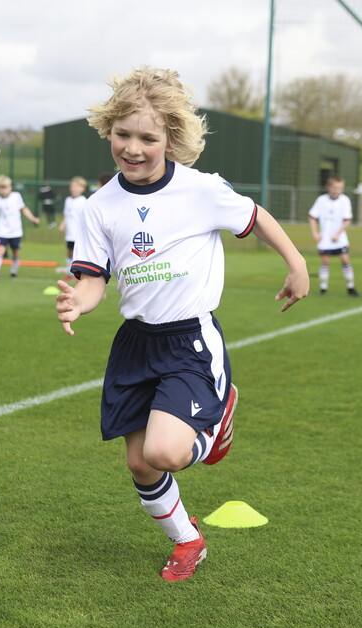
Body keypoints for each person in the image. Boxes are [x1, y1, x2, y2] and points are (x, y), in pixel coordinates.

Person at [55, 66, 309, 582]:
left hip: (189, 340)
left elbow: (254, 216)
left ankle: (214, 426)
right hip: (134, 344)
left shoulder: (200, 190)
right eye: (122, 135)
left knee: (166, 451)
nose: (132, 147)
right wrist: (79, 302)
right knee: (141, 465)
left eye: (147, 137)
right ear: (109, 132)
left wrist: (296, 262)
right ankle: (188, 541)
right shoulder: (98, 207)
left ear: (170, 139)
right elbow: (92, 279)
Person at [308, 175, 359, 297]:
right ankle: (323, 289)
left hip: (339, 238)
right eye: (334, 187)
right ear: (328, 187)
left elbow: (347, 220)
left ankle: (350, 288)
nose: (337, 190)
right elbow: (312, 217)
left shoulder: (345, 200)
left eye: (340, 188)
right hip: (325, 238)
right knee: (325, 261)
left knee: (345, 260)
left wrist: (338, 233)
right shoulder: (321, 200)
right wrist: (315, 233)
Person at [0, 175, 40, 280]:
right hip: (2, 231)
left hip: (15, 231)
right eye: (0, 188)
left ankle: (13, 271)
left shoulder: (16, 196)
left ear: (10, 187)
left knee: (15, 251)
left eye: (5, 187)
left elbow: (23, 209)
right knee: (0, 250)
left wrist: (33, 218)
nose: (3, 190)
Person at [57, 177, 87, 274]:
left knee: (78, 252)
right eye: (73, 187)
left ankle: (79, 271)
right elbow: (67, 214)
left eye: (78, 187)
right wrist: (62, 224)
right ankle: (69, 271)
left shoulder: (83, 201)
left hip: (78, 233)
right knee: (69, 251)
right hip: (69, 233)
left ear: (83, 189)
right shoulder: (68, 200)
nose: (75, 189)